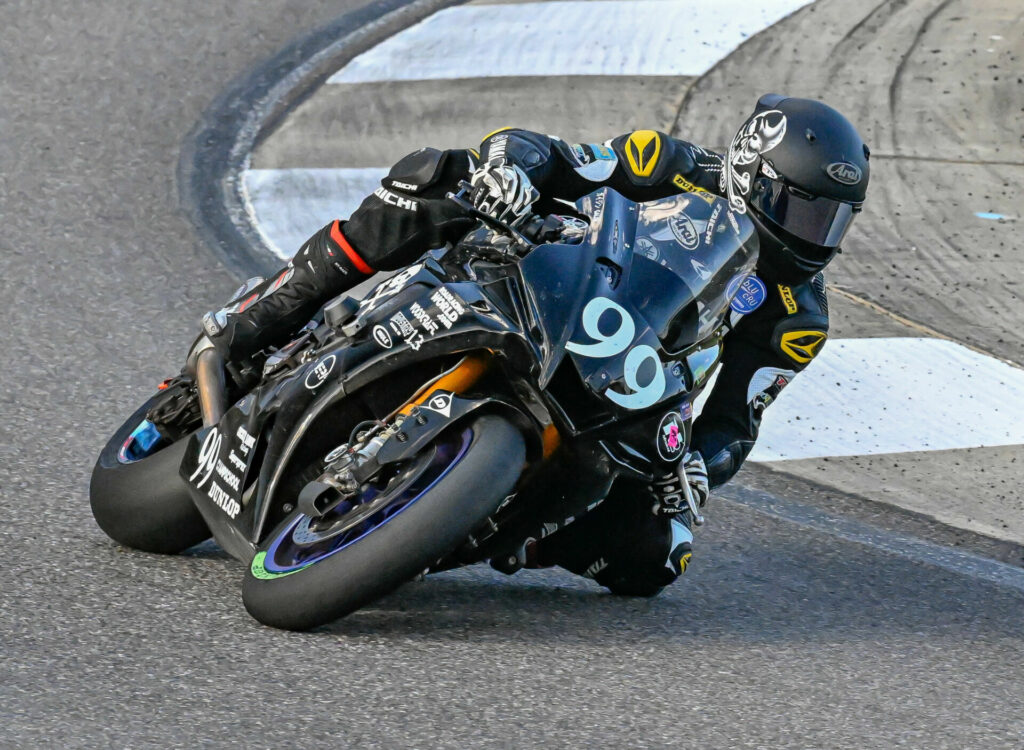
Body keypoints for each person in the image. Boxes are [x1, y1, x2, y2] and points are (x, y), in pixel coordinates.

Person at [194, 94, 870, 596]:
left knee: (662, 559)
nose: (815, 235)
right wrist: (508, 172)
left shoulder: (796, 318)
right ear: (752, 173)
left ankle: (514, 530)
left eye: (833, 220)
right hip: (547, 277)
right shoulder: (670, 163)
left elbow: (733, 422)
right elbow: (554, 155)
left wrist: (700, 468)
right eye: (801, 209)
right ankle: (268, 314)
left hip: (632, 381)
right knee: (436, 178)